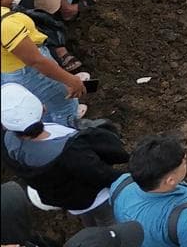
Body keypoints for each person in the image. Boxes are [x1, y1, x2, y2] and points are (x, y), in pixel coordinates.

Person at [1, 82, 129, 226]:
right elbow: (101, 173)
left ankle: (92, 230)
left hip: (66, 198)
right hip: (97, 197)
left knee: (87, 219)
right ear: (43, 108)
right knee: (109, 220)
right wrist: (127, 179)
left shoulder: (7, 145)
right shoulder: (69, 151)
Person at [1, 0, 86, 128]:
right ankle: (66, 131)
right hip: (28, 70)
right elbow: (37, 62)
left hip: (10, 68)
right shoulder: (7, 25)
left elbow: (4, 2)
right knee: (64, 104)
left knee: (39, 101)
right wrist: (70, 80)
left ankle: (43, 117)